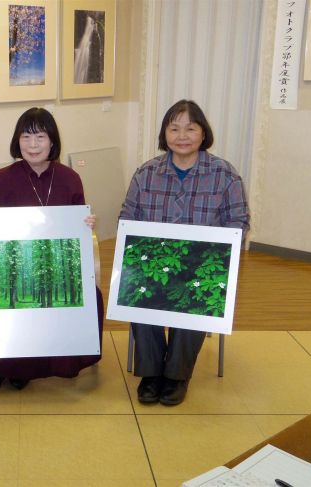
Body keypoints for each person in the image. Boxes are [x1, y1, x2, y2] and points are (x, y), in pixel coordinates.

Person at [0, 107, 104, 392]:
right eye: (26, 137)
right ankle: (1, 367)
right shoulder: (4, 176)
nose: (33, 144)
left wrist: (87, 224)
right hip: (14, 266)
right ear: (17, 141)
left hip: (56, 267)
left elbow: (77, 228)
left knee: (90, 295)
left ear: (52, 141)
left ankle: (29, 368)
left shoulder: (70, 178)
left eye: (40, 136)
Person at [119, 100, 250, 406]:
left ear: (203, 133)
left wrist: (210, 255)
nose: (182, 135)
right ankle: (151, 374)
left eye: (190, 128)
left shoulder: (224, 175)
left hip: (200, 264)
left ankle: (177, 376)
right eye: (174, 128)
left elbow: (239, 223)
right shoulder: (146, 173)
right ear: (164, 134)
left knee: (199, 290)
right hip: (154, 261)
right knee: (138, 286)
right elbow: (127, 217)